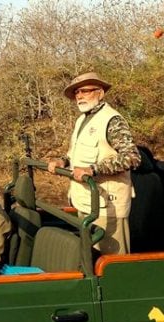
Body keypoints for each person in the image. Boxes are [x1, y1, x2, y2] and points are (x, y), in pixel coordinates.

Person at [47, 72, 141, 254]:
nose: (79, 96)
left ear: (100, 92)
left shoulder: (112, 120)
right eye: (76, 93)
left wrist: (93, 170)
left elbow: (132, 157)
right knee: (90, 260)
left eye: (85, 91)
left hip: (107, 206)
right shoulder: (82, 119)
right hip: (84, 202)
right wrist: (62, 161)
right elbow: (75, 153)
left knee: (110, 262)